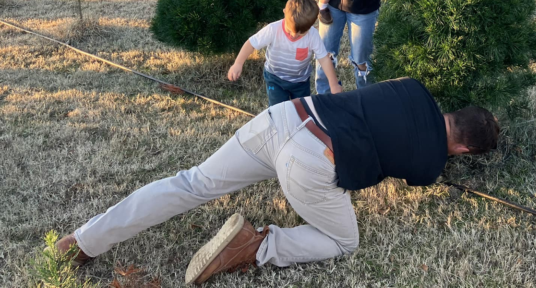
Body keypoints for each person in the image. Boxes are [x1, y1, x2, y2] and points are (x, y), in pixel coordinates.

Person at [51, 78, 499, 285]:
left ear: (455, 113)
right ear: (464, 150)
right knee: (345, 242)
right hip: (313, 159)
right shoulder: (429, 168)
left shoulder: (414, 88)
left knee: (191, 182)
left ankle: (82, 241)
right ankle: (259, 246)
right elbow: (407, 161)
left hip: (284, 117)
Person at [228, 0, 342, 105]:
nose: (294, 35)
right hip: (275, 78)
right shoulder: (273, 29)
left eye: (301, 33)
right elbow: (251, 44)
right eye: (290, 30)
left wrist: (333, 84)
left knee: (302, 110)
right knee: (278, 110)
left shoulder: (313, 35)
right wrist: (238, 63)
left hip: (300, 82)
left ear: (312, 24)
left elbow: (324, 59)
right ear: (284, 13)